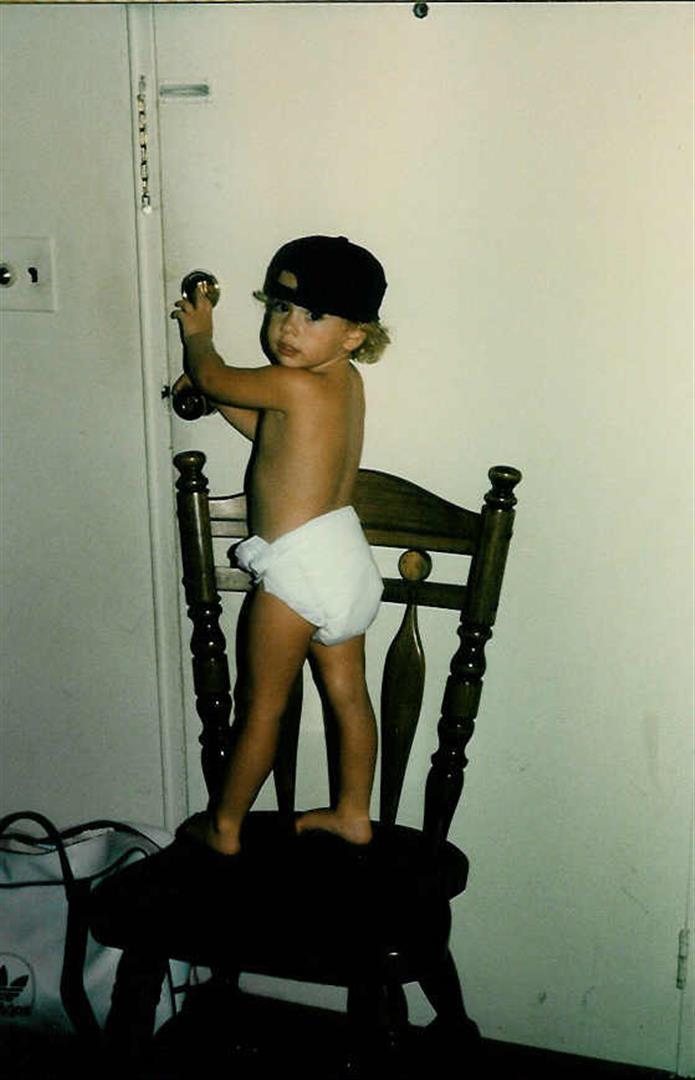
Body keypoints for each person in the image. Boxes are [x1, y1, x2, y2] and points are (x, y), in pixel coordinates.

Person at [171, 235, 390, 855]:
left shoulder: (289, 385)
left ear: (355, 335)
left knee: (262, 707)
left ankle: (225, 826)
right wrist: (219, 404)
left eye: (313, 315)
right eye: (281, 308)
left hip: (297, 570)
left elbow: (213, 374)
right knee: (349, 696)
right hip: (343, 559)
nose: (289, 328)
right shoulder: (341, 384)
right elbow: (274, 434)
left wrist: (199, 334)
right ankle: (353, 812)